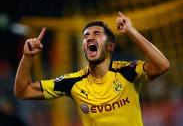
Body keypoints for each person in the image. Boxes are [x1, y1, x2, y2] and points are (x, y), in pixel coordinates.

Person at [14, 12, 170, 126]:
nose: (90, 37)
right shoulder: (74, 82)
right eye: (86, 36)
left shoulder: (128, 71)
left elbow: (162, 66)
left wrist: (131, 31)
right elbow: (23, 91)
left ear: (110, 47)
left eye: (97, 33)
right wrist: (27, 57)